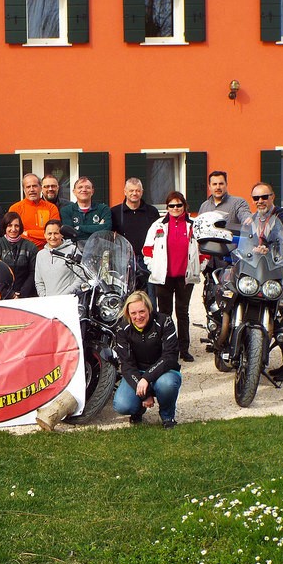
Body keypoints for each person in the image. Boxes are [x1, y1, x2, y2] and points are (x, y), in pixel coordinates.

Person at [250, 182, 283, 381]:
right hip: (269, 274)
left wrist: (265, 246)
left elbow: (280, 238)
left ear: (273, 197)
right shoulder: (255, 219)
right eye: (256, 198)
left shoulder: (282, 215)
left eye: (264, 197)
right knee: (280, 317)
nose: (260, 201)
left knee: (282, 318)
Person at [143, 191, 202, 362]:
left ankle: (184, 349)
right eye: (171, 205)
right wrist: (153, 267)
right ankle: (167, 349)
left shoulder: (194, 225)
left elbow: (203, 250)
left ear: (184, 206)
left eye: (179, 205)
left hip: (185, 277)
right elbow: (147, 249)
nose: (175, 208)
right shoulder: (158, 225)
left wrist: (199, 267)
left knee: (183, 313)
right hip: (164, 277)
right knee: (165, 314)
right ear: (167, 207)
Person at [113, 290, 182, 429]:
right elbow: (126, 365)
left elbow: (170, 356)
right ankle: (137, 410)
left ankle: (167, 416)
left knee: (167, 384)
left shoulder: (165, 321)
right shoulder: (122, 328)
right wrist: (145, 394)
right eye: (133, 313)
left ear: (149, 309)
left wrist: (146, 379)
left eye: (142, 311)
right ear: (128, 314)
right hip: (136, 372)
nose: (138, 316)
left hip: (165, 371)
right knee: (122, 405)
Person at [111, 177, 160, 291]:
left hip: (147, 260)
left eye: (137, 190)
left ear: (142, 192)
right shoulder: (115, 212)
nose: (134, 193)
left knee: (150, 296)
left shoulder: (152, 211)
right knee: (125, 295)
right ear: (125, 192)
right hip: (124, 261)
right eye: (131, 190)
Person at [0, 212, 38, 298]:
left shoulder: (30, 247)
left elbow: (34, 272)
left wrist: (22, 294)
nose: (13, 229)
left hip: (26, 295)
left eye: (16, 226)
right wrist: (9, 294)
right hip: (1, 295)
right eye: (10, 225)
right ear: (5, 227)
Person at [9, 174, 60, 250]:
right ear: (24, 189)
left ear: (40, 188)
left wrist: (28, 233)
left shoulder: (51, 208)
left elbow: (55, 233)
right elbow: (13, 234)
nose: (32, 190)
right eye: (28, 187)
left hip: (47, 251)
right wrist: (42, 235)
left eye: (35, 186)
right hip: (23, 251)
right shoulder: (15, 209)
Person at [34, 220, 83, 297]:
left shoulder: (73, 250)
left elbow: (81, 278)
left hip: (69, 300)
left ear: (62, 235)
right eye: (49, 234)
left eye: (56, 233)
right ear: (44, 235)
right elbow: (39, 281)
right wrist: (44, 298)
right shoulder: (40, 255)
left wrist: (63, 296)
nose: (52, 237)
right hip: (48, 303)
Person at [60, 176, 112, 241]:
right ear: (74, 191)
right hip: (75, 249)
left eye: (87, 187)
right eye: (80, 187)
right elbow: (69, 235)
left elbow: (107, 229)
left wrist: (79, 228)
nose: (84, 190)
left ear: (92, 191)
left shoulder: (103, 209)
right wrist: (98, 228)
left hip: (98, 248)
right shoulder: (66, 211)